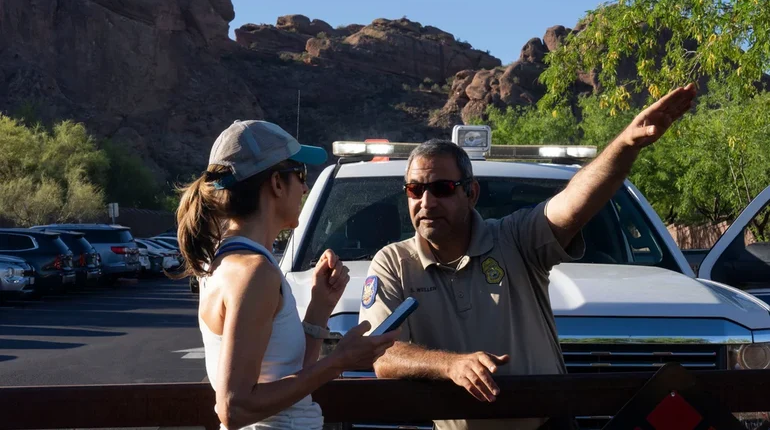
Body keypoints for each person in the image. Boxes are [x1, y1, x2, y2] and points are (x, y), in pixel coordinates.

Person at [358, 84, 697, 430]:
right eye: (415, 189)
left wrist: (625, 144)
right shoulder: (393, 263)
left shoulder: (516, 238)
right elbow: (382, 354)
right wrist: (450, 365)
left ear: (471, 193)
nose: (426, 202)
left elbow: (574, 204)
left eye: (442, 189)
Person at [176, 120, 399, 430]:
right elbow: (234, 408)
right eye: (300, 175)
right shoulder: (253, 272)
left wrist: (319, 307)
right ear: (277, 184)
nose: (305, 188)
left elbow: (286, 374)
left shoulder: (226, 262)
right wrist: (340, 360)